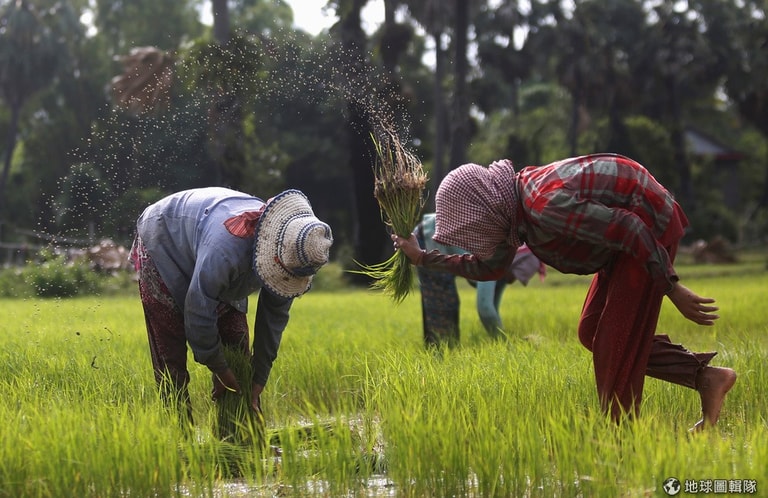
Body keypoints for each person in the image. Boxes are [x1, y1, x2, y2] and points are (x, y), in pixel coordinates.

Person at [392, 153, 737, 431]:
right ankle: (705, 377)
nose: (481, 237)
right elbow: (491, 268)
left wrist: (671, 287)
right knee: (591, 330)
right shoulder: (515, 210)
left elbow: (630, 227)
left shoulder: (545, 207)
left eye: (477, 228)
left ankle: (622, 438)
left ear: (487, 208)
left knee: (612, 340)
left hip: (647, 227)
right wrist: (422, 258)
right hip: (621, 244)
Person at [131, 187, 332, 424]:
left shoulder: (294, 256)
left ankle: (237, 436)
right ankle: (180, 438)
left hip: (209, 244)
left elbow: (273, 321)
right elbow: (198, 311)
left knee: (236, 348)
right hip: (164, 236)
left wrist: (258, 380)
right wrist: (219, 368)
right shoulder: (227, 251)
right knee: (170, 353)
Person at [415, 213, 545, 345]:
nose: (512, 281)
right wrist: (505, 344)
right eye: (514, 276)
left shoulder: (503, 269)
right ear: (512, 264)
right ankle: (440, 353)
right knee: (444, 305)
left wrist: (500, 337)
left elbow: (492, 306)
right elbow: (485, 309)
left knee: (445, 304)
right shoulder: (494, 256)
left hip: (448, 240)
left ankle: (443, 351)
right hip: (432, 238)